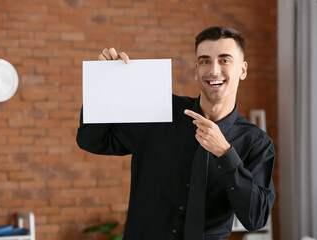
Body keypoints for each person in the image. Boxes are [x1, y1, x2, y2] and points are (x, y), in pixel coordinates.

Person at [77, 26, 275, 240]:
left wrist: (226, 154)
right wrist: (103, 84)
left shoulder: (256, 143)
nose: (214, 70)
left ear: (242, 70)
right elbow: (92, 139)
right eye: (205, 60)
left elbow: (256, 217)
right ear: (196, 69)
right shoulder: (159, 112)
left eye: (225, 60)